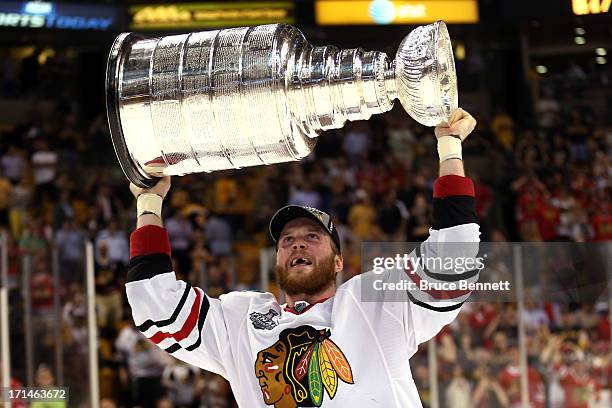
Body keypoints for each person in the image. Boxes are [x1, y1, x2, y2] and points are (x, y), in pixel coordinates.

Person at [125, 108, 481, 407]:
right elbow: (156, 307)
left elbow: (453, 261)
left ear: (338, 261)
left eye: (312, 237)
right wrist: (149, 202)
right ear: (277, 260)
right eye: (287, 241)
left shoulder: (374, 302)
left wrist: (449, 147)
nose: (297, 244)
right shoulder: (242, 324)